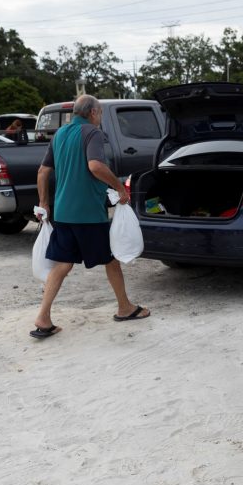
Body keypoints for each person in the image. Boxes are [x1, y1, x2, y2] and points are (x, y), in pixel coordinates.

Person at [30, 95, 150, 339]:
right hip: (88, 213)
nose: (100, 118)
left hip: (63, 212)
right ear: (93, 112)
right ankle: (125, 308)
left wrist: (44, 203)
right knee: (111, 259)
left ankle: (43, 317)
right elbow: (95, 166)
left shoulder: (61, 134)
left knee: (63, 263)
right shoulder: (92, 133)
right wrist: (119, 188)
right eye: (101, 114)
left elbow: (43, 171)